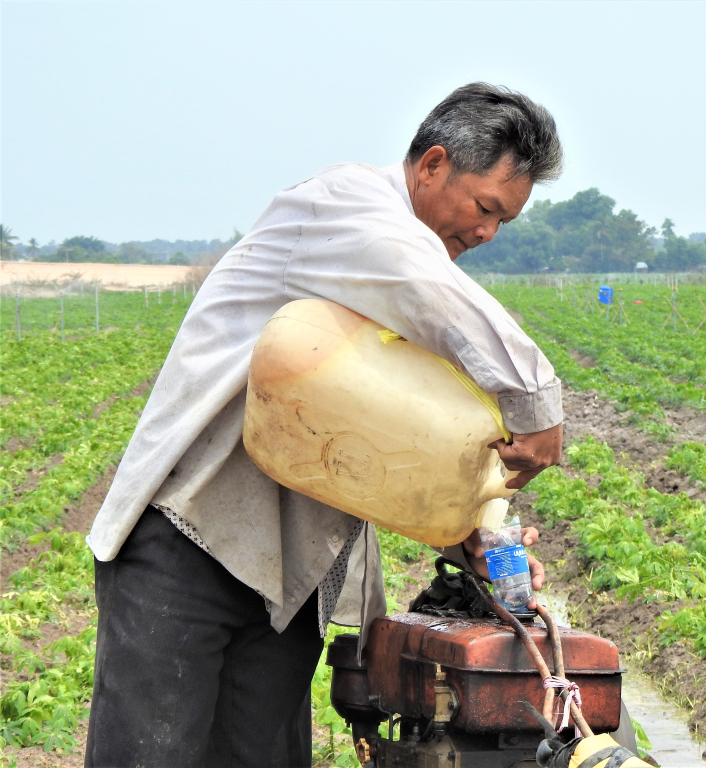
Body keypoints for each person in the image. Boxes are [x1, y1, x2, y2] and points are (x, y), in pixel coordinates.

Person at [84, 82, 565, 767]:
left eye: (503, 222)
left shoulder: (416, 300)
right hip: (187, 546)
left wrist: (474, 539)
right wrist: (537, 403)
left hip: (290, 579)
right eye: (485, 208)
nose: (487, 233)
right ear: (431, 165)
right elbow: (426, 287)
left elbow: (405, 446)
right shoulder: (346, 207)